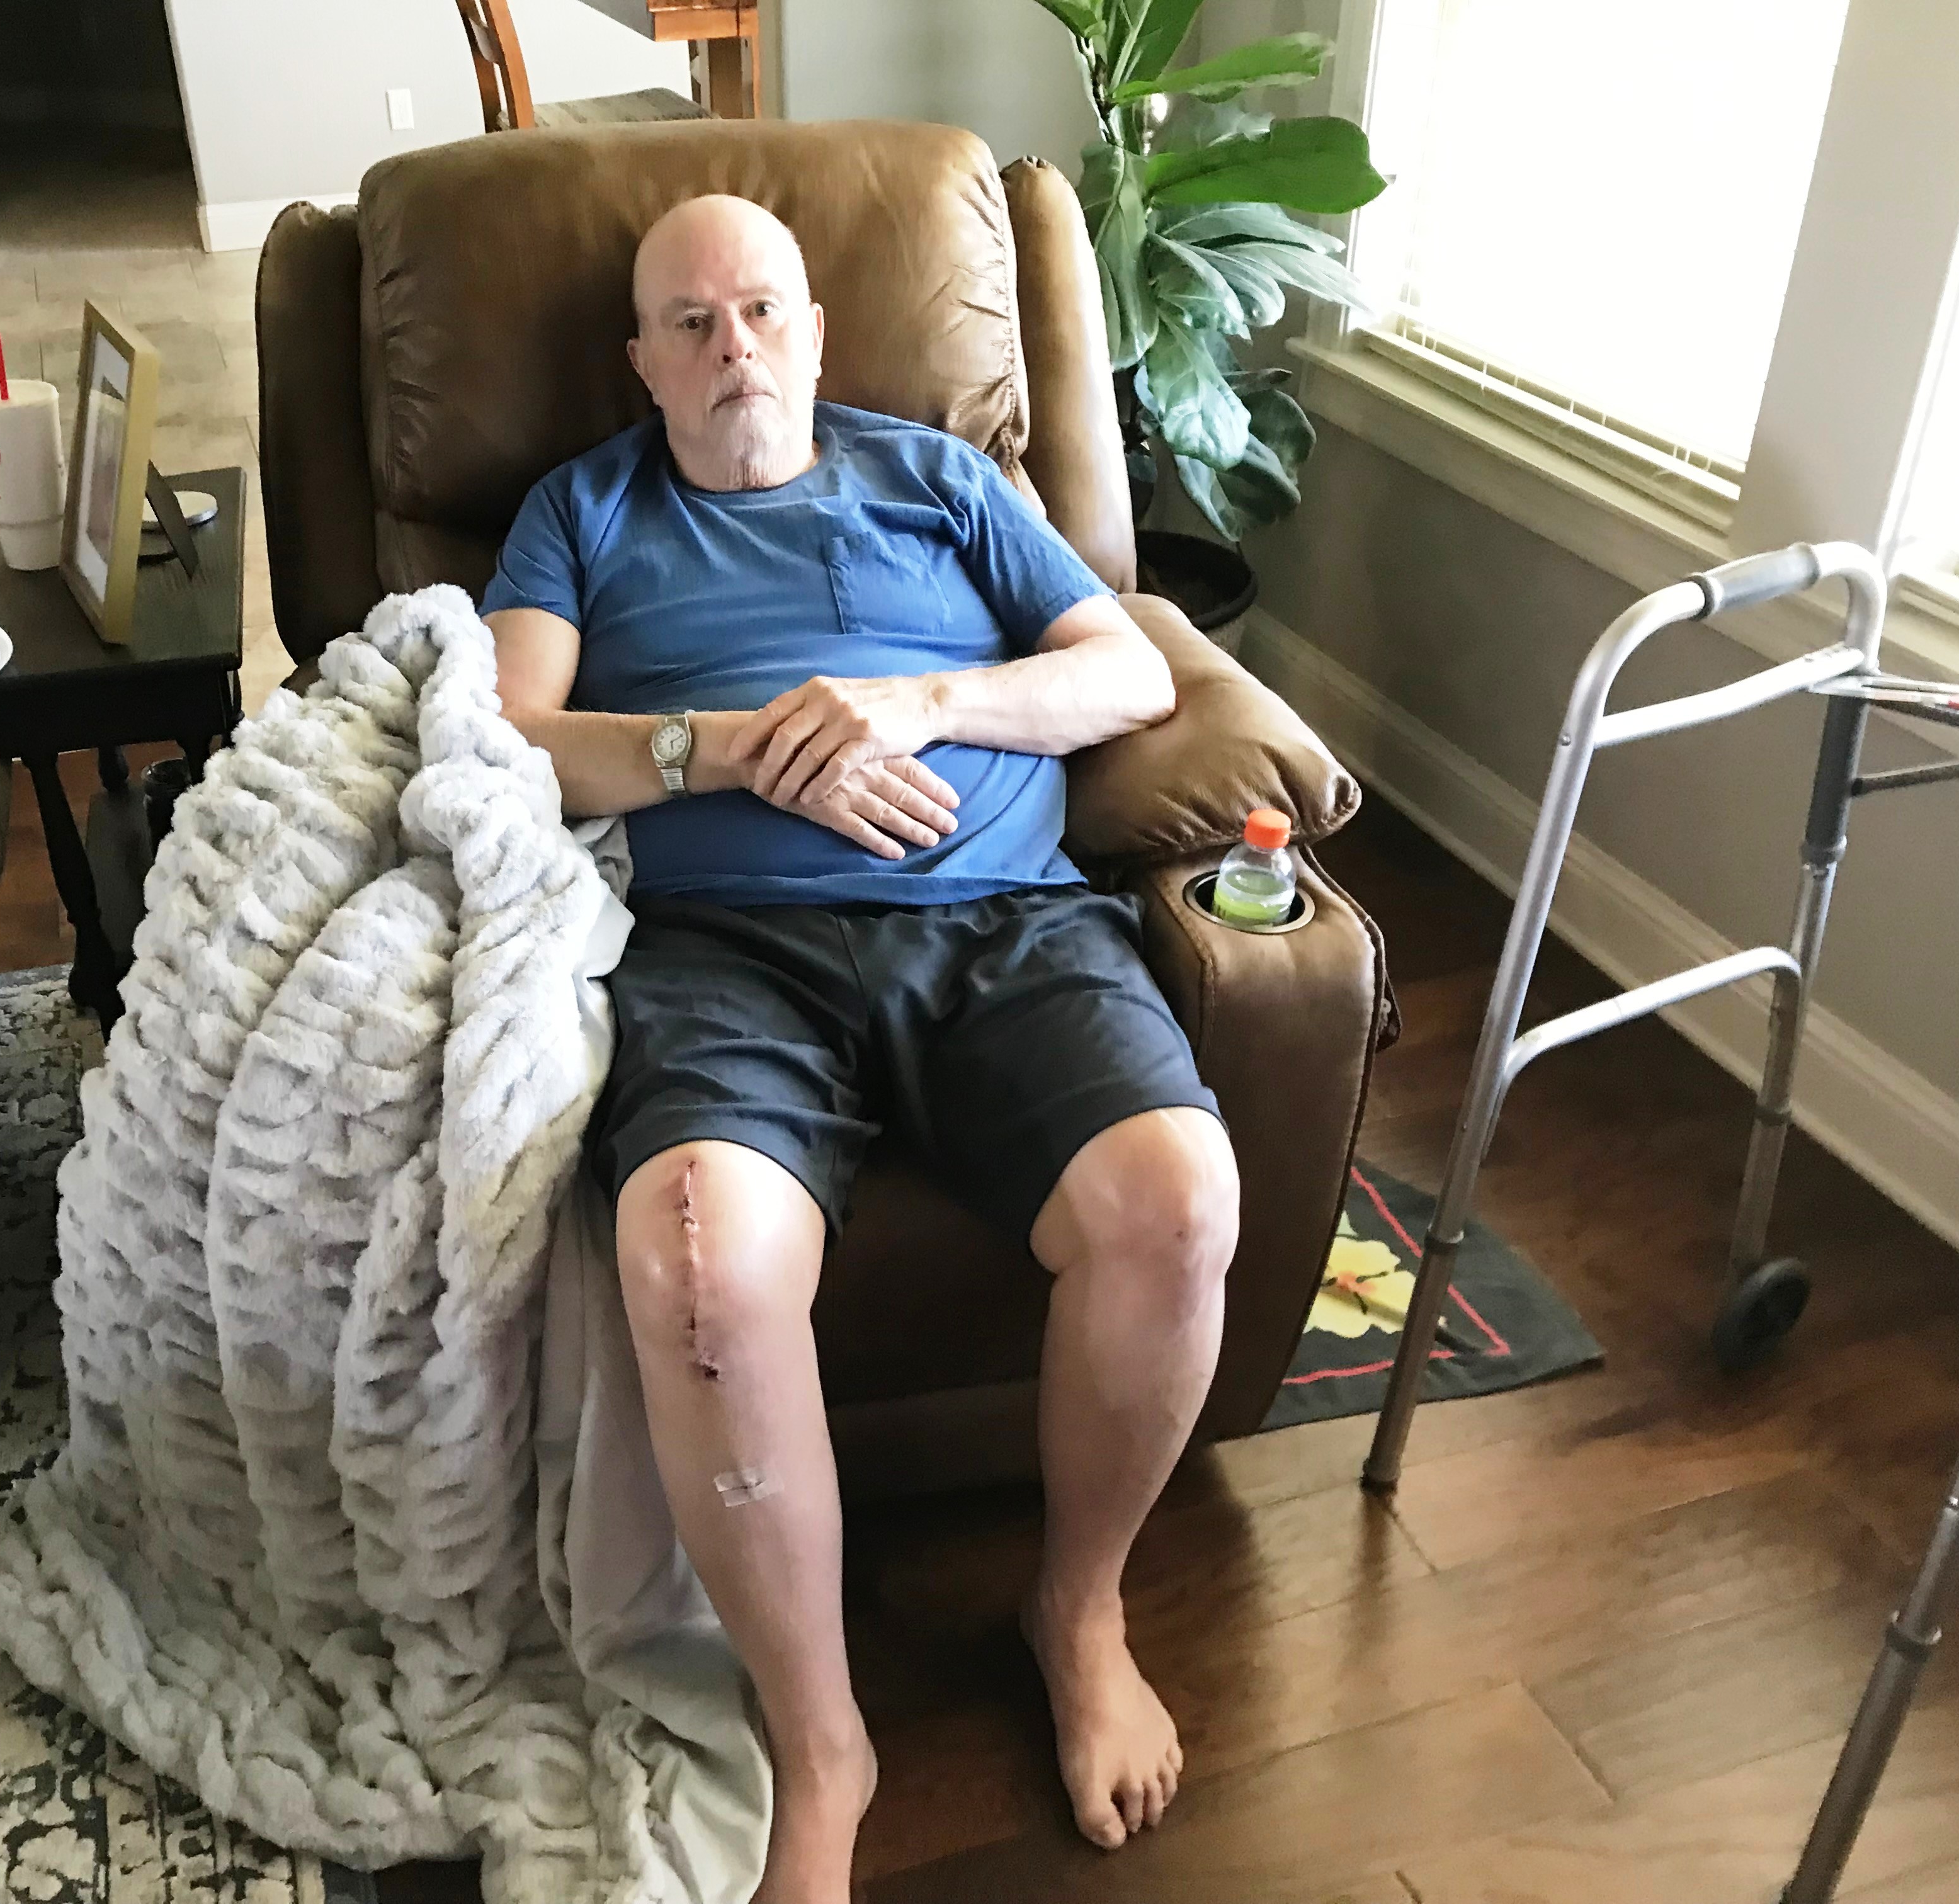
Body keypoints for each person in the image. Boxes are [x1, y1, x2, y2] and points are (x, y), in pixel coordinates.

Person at [484, 194, 1239, 1904]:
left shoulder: (944, 478)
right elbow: (509, 743)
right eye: (690, 322)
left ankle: (1080, 1608)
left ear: (818, 331)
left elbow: (1126, 676)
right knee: (695, 1264)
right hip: (720, 950)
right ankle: (823, 1742)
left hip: (1001, 924)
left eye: (762, 310)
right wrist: (728, 747)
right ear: (640, 360)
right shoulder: (579, 510)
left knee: (1179, 1199)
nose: (733, 347)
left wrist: (924, 702)